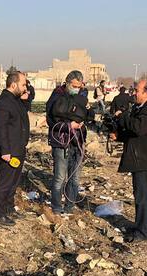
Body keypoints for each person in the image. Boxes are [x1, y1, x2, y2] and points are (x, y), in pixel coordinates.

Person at [113, 80, 147, 243]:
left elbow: (138, 128)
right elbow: (135, 132)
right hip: (141, 158)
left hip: (146, 159)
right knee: (140, 195)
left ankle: (143, 232)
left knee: (144, 196)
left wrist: (122, 116)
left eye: (137, 90)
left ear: (146, 92)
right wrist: (119, 136)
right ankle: (139, 226)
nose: (133, 93)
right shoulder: (141, 109)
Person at [46, 70, 92, 215]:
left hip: (77, 141)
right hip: (61, 141)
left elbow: (89, 114)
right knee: (60, 176)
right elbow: (51, 121)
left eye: (79, 86)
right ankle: (57, 207)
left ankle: (70, 205)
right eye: (74, 85)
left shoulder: (82, 97)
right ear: (67, 82)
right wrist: (68, 126)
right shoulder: (56, 96)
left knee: (75, 177)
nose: (77, 88)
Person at [0, 71, 30, 226]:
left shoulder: (16, 100)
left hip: (19, 148)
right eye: (22, 85)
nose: (25, 88)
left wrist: (25, 95)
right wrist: (5, 151)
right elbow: (1, 129)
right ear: (13, 84)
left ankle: (9, 208)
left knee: (13, 183)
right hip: (9, 151)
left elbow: (27, 103)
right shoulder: (2, 103)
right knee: (5, 183)